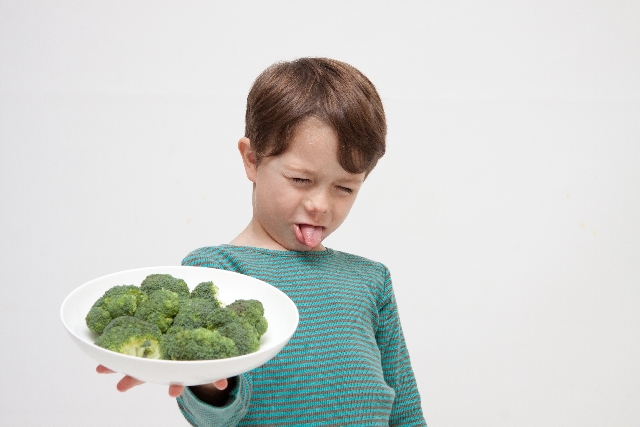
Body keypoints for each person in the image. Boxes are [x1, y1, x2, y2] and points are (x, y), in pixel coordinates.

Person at [98, 57, 427, 426]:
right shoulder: (216, 270)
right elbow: (213, 416)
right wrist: (207, 383)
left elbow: (406, 411)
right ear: (252, 159)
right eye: (301, 180)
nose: (320, 205)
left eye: (345, 188)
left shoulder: (371, 279)